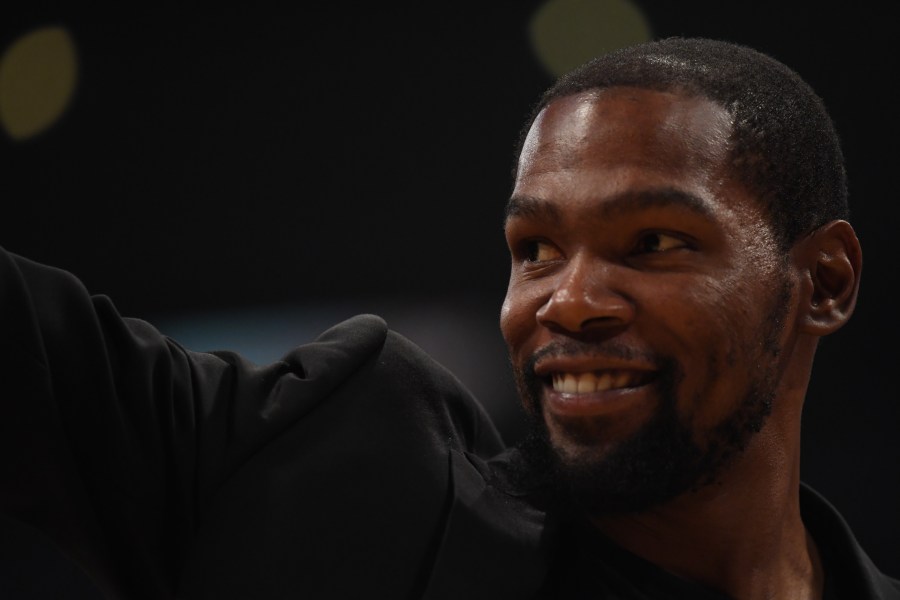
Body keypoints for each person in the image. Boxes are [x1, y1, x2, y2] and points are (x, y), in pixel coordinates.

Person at [0, 36, 896, 600]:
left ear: (823, 282)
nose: (568, 301)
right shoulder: (347, 488)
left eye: (654, 241)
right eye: (534, 249)